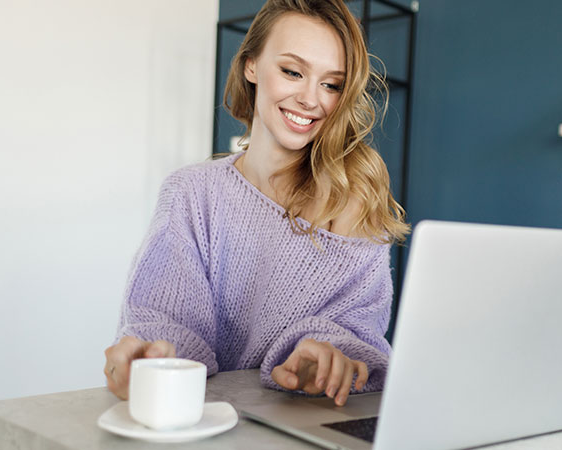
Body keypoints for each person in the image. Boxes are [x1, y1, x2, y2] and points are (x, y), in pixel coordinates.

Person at [103, 0, 409, 407]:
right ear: (251, 65)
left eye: (331, 84)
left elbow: (356, 327)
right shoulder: (193, 192)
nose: (310, 99)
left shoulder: (355, 199)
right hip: (204, 423)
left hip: (311, 421)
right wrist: (150, 357)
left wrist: (322, 360)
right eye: (292, 72)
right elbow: (167, 322)